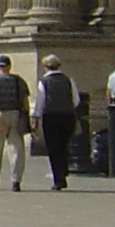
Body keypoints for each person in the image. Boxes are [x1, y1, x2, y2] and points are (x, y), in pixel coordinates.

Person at [0, 55, 32, 191]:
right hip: (16, 114)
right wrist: (26, 117)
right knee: (17, 148)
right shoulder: (19, 81)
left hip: (1, 114)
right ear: (10, 66)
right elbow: (25, 102)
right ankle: (16, 180)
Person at [36, 55, 79, 190]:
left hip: (51, 116)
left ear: (46, 67)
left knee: (53, 148)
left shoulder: (44, 81)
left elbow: (40, 101)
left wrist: (36, 117)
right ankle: (63, 171)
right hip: (67, 115)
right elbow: (76, 99)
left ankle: (58, 178)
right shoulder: (68, 80)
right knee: (64, 145)